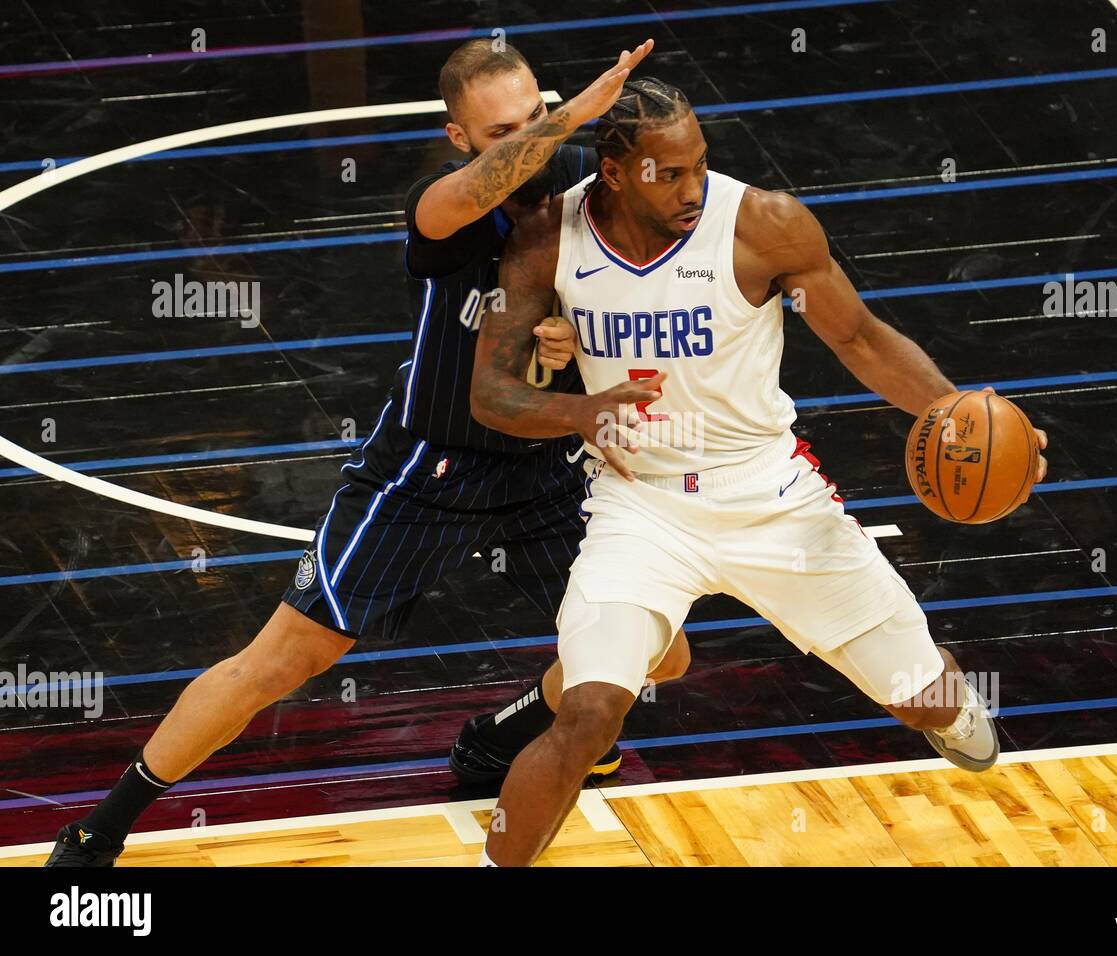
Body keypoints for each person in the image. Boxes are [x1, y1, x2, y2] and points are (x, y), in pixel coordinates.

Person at [44, 39, 689, 868]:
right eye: (502, 131)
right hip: (431, 466)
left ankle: (502, 733)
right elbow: (473, 197)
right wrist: (566, 121)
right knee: (283, 660)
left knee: (659, 652)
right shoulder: (443, 205)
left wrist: (576, 343)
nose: (531, 139)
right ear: (459, 138)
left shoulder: (586, 190)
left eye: (536, 116)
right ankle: (105, 822)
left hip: (543, 462)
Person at [468, 77, 1050, 866]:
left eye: (699, 166)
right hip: (639, 510)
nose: (691, 189)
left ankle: (944, 704)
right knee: (589, 710)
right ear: (613, 174)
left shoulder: (763, 225)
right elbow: (491, 392)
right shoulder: (549, 234)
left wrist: (960, 418)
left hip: (771, 495)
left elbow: (863, 341)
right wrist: (583, 414)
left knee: (925, 703)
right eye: (667, 174)